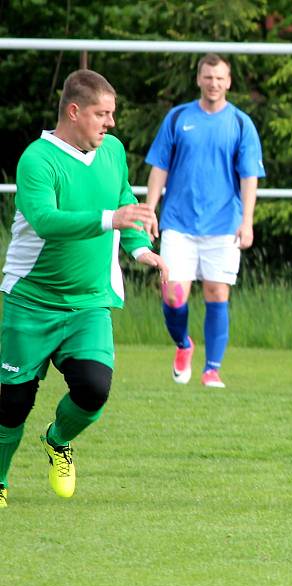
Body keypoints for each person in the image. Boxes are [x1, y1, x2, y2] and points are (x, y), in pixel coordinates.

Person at [0, 69, 168, 507]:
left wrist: (141, 250)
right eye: (102, 114)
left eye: (111, 114)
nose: (110, 123)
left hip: (89, 302)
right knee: (12, 405)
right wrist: (111, 220)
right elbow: (45, 220)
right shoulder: (37, 159)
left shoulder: (111, 151)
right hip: (31, 302)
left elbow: (124, 206)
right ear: (74, 112)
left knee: (94, 387)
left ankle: (58, 440)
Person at [145, 53, 265, 389]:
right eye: (208, 77)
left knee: (216, 293)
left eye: (220, 78)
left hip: (224, 224)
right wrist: (150, 208)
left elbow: (249, 177)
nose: (214, 84)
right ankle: (183, 344)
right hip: (179, 223)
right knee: (172, 295)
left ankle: (212, 369)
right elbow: (159, 167)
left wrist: (248, 221)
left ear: (229, 82)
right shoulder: (177, 118)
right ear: (199, 79)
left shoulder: (241, 123)